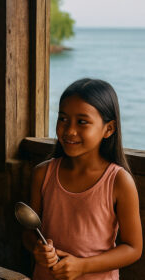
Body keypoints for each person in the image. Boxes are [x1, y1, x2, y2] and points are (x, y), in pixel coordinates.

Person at [23, 78, 142, 280]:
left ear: (109, 129)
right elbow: (29, 231)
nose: (69, 130)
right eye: (63, 119)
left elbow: (133, 248)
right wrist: (38, 249)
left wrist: (83, 266)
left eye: (82, 121)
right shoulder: (43, 174)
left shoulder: (118, 181)